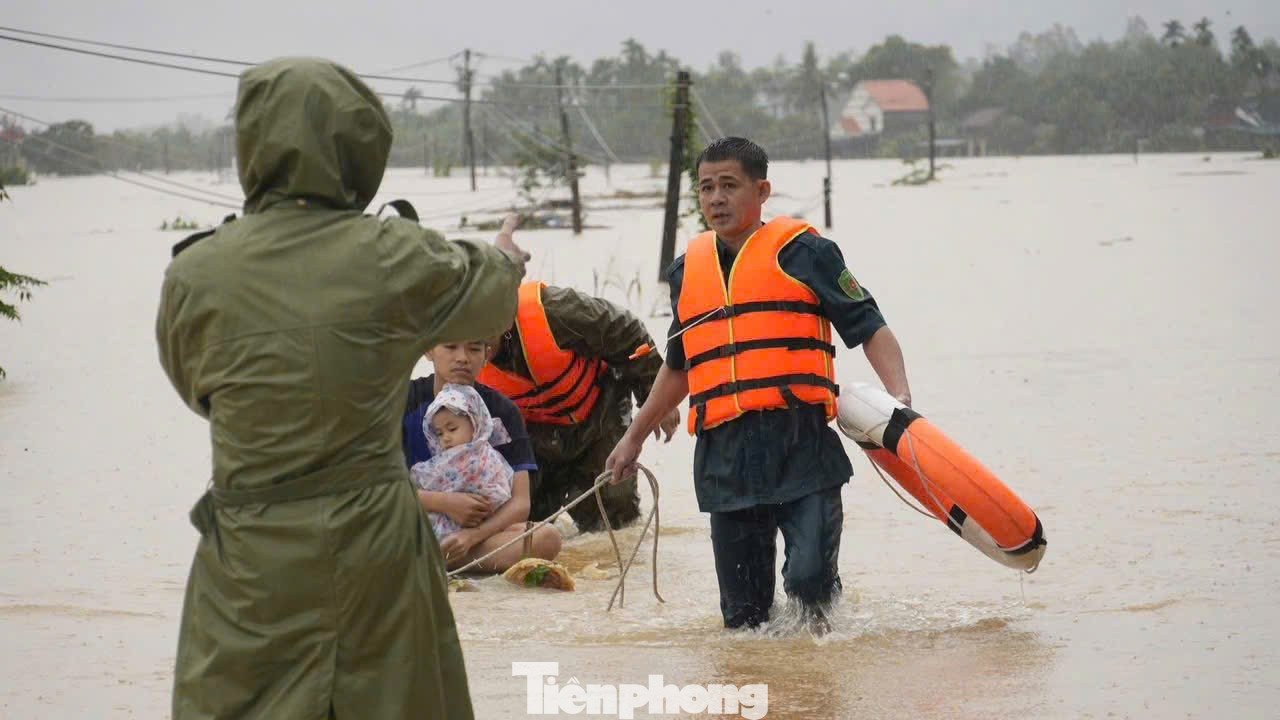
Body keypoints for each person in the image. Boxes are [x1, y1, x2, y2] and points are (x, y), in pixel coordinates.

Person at [156, 57, 529, 720]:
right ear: (363, 145)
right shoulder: (395, 252)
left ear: (252, 145)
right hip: (376, 537)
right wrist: (505, 254)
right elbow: (489, 299)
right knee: (396, 700)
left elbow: (196, 387)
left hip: (253, 545)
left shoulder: (198, 272)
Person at [605, 137, 912, 633]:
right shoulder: (687, 272)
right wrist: (632, 438)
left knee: (810, 583)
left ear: (762, 189)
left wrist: (899, 399)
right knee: (744, 623)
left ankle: (814, 684)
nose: (716, 199)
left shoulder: (808, 253)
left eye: (730, 185)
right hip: (724, 459)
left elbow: (870, 328)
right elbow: (680, 365)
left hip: (802, 445)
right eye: (706, 188)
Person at [477, 281, 680, 532]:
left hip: (600, 413)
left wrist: (656, 396)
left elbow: (625, 332)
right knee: (523, 525)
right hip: (538, 438)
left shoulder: (554, 310)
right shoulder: (456, 363)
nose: (469, 351)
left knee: (611, 518)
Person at [403, 341, 561, 570]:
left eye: (474, 349)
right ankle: (442, 557)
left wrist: (471, 537)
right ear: (428, 349)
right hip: (412, 523)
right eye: (450, 347)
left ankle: (442, 557)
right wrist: (445, 503)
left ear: (487, 355)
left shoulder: (503, 411)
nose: (463, 358)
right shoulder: (401, 402)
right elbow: (370, 490)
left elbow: (520, 503)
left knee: (547, 538)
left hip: (477, 534)